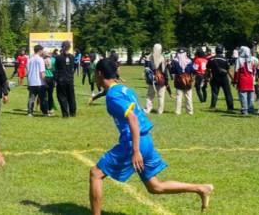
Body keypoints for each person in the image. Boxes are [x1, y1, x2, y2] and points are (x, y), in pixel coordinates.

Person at [89, 58, 214, 215]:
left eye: (95, 73)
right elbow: (114, 94)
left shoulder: (113, 96)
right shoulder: (124, 89)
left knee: (95, 174)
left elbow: (133, 119)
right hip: (146, 140)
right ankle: (201, 188)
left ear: (100, 73)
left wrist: (136, 151)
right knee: (155, 187)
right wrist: (97, 96)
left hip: (133, 144)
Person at [206, 46, 235, 111]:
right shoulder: (225, 59)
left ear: (216, 51)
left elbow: (207, 69)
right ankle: (230, 107)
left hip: (214, 77)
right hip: (224, 78)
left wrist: (207, 77)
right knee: (227, 93)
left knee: (214, 93)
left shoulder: (211, 59)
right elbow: (228, 70)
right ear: (222, 51)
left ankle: (213, 106)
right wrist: (233, 79)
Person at [54, 41, 77, 118]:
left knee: (62, 96)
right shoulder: (72, 57)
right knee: (71, 96)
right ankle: (73, 112)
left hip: (61, 79)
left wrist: (55, 80)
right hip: (70, 79)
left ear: (62, 47)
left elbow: (56, 69)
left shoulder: (58, 57)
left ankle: (65, 114)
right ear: (69, 47)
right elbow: (73, 68)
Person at [144, 44, 168, 114]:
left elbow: (146, 69)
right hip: (161, 80)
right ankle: (160, 110)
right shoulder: (162, 58)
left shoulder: (148, 58)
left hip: (151, 80)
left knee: (150, 96)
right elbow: (164, 71)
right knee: (161, 96)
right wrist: (166, 81)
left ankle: (148, 109)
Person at [234, 46, 257, 115]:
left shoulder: (239, 59)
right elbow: (254, 70)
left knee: (243, 95)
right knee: (251, 95)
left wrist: (235, 81)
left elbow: (236, 71)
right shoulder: (252, 59)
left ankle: (244, 110)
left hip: (242, 80)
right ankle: (251, 109)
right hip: (250, 79)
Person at [170, 48, 194, 116]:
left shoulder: (175, 61)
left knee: (178, 97)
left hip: (178, 80)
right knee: (188, 97)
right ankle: (190, 111)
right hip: (187, 80)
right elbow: (192, 70)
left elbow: (172, 71)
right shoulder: (189, 61)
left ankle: (178, 112)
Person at [26, 45, 48, 116]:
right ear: (40, 50)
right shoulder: (40, 59)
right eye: (42, 50)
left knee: (31, 98)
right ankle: (44, 112)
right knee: (43, 98)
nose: (43, 52)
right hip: (40, 82)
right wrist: (46, 81)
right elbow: (42, 72)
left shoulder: (30, 59)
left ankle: (30, 112)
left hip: (31, 82)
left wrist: (28, 82)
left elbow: (27, 72)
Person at [43, 50, 56, 116]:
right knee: (50, 95)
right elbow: (55, 70)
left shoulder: (42, 60)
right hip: (51, 78)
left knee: (44, 95)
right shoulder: (53, 60)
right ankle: (50, 109)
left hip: (44, 78)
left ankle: (45, 110)